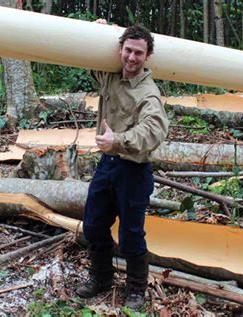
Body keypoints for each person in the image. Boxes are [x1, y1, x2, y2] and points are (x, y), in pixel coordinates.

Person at [75, 21, 169, 310]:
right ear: (120, 50)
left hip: (134, 171)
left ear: (147, 57)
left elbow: (154, 130)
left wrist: (118, 139)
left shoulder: (149, 93)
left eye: (138, 53)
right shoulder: (110, 77)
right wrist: (96, 30)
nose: (131, 58)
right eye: (128, 50)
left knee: (130, 234)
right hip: (107, 166)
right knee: (93, 225)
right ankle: (101, 278)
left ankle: (136, 290)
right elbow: (84, 58)